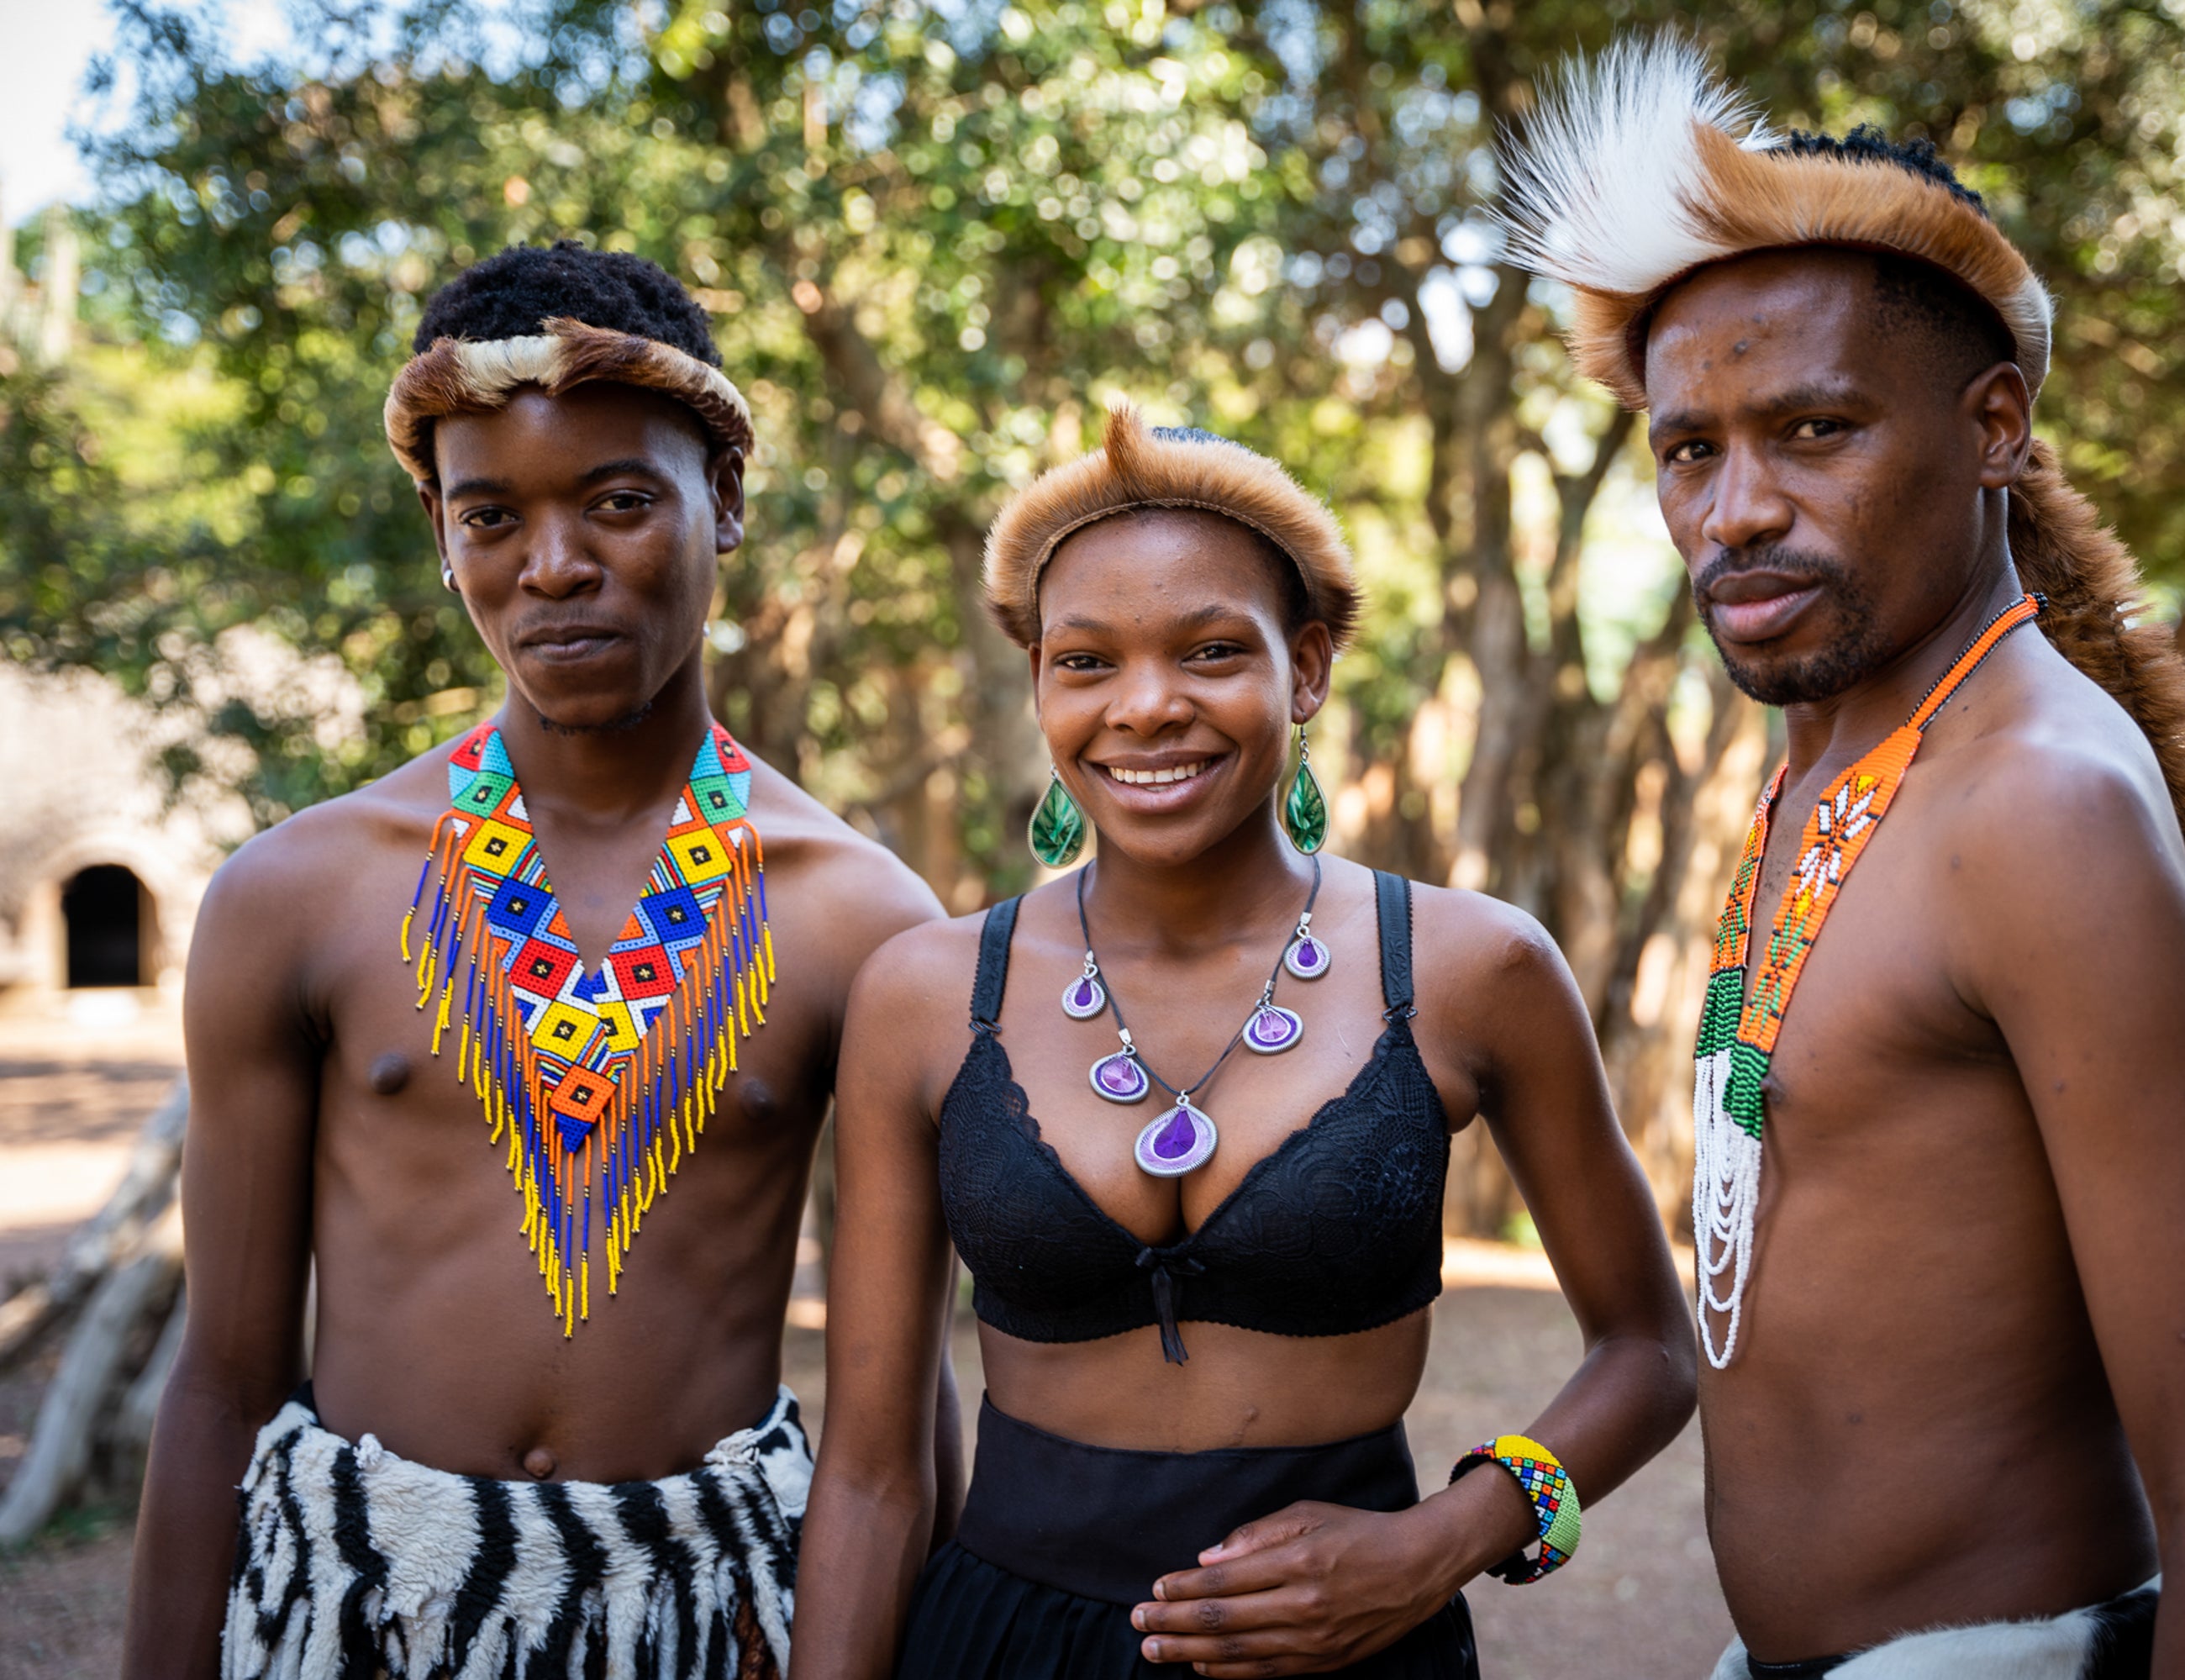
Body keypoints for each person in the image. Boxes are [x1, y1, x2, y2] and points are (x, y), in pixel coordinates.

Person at [1497, 38, 2185, 1680]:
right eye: (1691, 451)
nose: (1737, 509)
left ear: (1994, 428)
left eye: (1815, 429)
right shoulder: (1835, 756)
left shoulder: (2038, 806)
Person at [124, 241, 956, 1680]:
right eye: (490, 515)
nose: (555, 566)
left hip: (709, 1629)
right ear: (441, 532)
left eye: (621, 502)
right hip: (358, 1623)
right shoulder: (296, 896)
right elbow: (224, 1382)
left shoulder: (861, 922)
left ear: (727, 502)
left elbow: (904, 1416)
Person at [788, 409, 1696, 1678]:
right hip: (1001, 1648)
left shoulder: (1466, 969)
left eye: (1211, 650)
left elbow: (1651, 1348)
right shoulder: (928, 995)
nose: (1146, 708)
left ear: (1307, 668)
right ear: (1041, 683)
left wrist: (1441, 1542)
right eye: (1086, 662)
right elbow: (877, 1472)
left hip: (1360, 1654)